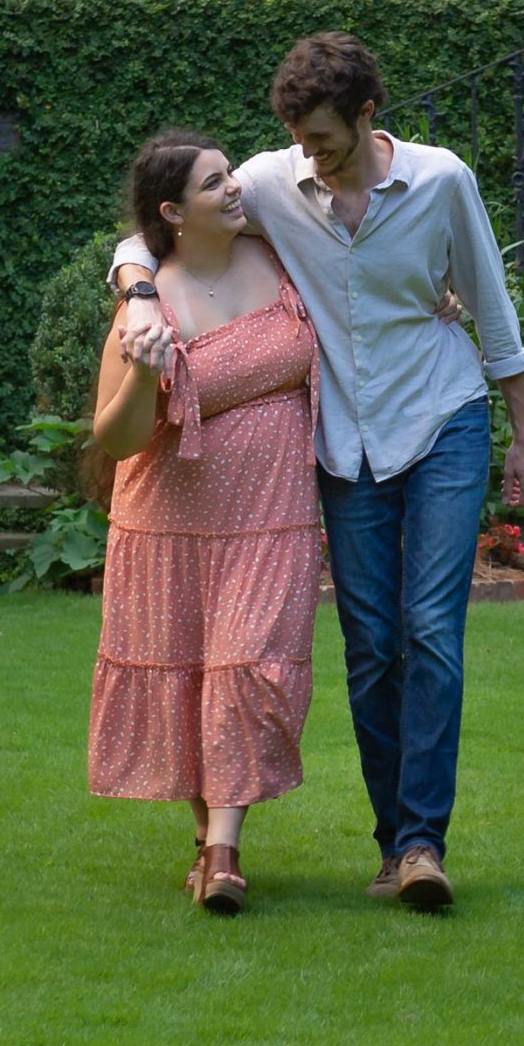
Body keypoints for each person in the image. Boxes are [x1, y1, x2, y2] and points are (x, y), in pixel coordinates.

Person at [112, 32, 524, 910]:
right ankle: (393, 848)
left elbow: (491, 307)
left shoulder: (442, 181)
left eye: (325, 137)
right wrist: (137, 287)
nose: (311, 152)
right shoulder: (270, 183)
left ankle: (422, 842)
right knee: (371, 641)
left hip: (442, 414)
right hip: (347, 441)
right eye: (300, 137)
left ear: (369, 113)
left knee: (429, 628)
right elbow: (158, 224)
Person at [89, 129, 325, 915]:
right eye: (214, 182)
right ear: (173, 211)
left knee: (251, 666)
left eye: (231, 176)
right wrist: (145, 371)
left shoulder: (282, 255)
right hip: (167, 522)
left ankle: (221, 846)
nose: (235, 190)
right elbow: (116, 439)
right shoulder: (147, 307)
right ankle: (214, 845)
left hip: (272, 519)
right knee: (185, 676)